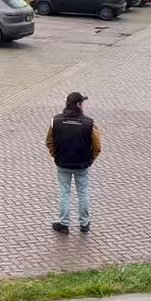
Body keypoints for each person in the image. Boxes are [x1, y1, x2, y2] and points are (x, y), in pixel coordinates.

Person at [46, 92, 102, 234]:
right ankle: (84, 223)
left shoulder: (56, 121)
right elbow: (97, 146)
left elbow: (49, 141)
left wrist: (55, 156)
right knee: (82, 193)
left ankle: (64, 224)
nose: (83, 105)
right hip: (82, 165)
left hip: (62, 163)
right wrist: (90, 160)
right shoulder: (89, 123)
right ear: (78, 104)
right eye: (82, 102)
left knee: (64, 193)